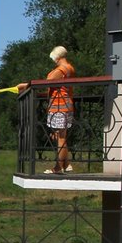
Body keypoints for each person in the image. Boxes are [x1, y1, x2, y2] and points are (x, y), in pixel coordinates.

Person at [42, 45, 75, 174]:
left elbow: (48, 80)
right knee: (61, 135)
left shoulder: (62, 69)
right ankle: (66, 164)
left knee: (60, 137)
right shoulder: (70, 68)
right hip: (66, 104)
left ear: (57, 57)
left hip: (59, 105)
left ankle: (58, 167)